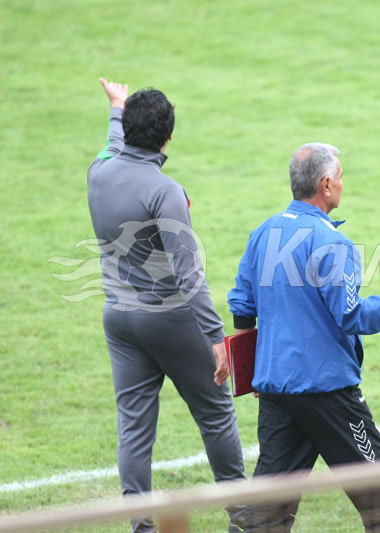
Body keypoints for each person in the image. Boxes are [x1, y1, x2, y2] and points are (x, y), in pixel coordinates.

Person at [228, 142, 380, 532]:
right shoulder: (333, 244)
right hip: (328, 391)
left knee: (266, 512)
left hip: (277, 390)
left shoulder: (263, 233)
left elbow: (242, 310)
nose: (344, 185)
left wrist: (253, 370)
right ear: (326, 185)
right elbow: (352, 316)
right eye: (342, 177)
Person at [87, 78, 248, 533]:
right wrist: (216, 337)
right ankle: (243, 520)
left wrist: (117, 108)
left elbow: (112, 145)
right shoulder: (165, 191)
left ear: (128, 128)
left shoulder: (98, 171)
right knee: (216, 414)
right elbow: (189, 274)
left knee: (134, 429)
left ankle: (141, 527)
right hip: (171, 320)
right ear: (168, 137)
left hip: (118, 318)